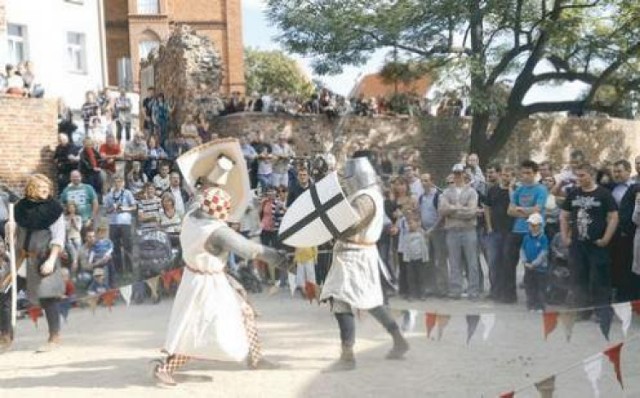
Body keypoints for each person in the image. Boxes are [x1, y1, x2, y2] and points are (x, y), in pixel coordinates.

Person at [153, 168, 287, 385]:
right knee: (199, 330)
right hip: (206, 284)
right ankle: (165, 368)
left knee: (245, 313)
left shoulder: (192, 214)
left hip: (200, 277)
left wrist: (221, 168)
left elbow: (202, 193)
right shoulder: (216, 232)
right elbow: (249, 250)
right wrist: (281, 258)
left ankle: (255, 358)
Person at [319, 154, 409, 371]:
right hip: (359, 253)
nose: (344, 180)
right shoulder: (370, 195)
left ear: (357, 176)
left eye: (347, 177)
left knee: (341, 300)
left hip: (354, 255)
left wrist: (330, 223)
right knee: (370, 300)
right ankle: (398, 339)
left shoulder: (365, 199)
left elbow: (352, 224)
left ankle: (347, 355)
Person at [6, 174, 65, 352]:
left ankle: (54, 338)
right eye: (41, 187)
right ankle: (5, 335)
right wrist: (10, 227)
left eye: (47, 187)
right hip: (21, 259)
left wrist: (51, 260)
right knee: (6, 293)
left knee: (48, 297)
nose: (45, 190)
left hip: (43, 258)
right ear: (31, 188)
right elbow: (13, 233)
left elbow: (58, 237)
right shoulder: (20, 208)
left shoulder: (54, 209)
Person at [560, 163, 618, 316]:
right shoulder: (573, 194)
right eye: (577, 175)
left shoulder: (604, 194)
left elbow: (613, 217)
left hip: (597, 245)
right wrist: (565, 237)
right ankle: (582, 312)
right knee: (578, 278)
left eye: (582, 175)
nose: (578, 178)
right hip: (577, 245)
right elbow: (564, 216)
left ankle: (602, 312)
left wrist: (606, 238)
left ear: (591, 175)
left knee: (600, 279)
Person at [503, 160, 548, 303]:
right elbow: (509, 211)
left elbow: (537, 210)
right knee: (509, 262)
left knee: (532, 265)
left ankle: (534, 299)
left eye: (529, 173)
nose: (525, 176)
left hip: (533, 232)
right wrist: (525, 212)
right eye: (523, 173)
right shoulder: (519, 190)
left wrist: (521, 210)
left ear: (535, 174)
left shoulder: (541, 189)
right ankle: (509, 295)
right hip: (517, 230)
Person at [439, 163, 480, 300]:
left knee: (472, 261)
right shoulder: (446, 192)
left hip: (469, 230)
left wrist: (453, 209)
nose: (458, 176)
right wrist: (460, 208)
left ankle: (473, 291)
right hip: (452, 231)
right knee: (454, 262)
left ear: (464, 174)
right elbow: (442, 210)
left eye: (460, 173)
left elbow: (471, 211)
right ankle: (456, 290)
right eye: (455, 173)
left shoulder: (471, 192)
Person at [484, 165, 515, 300]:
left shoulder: (515, 191)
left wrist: (511, 189)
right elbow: (486, 208)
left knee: (507, 263)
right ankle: (494, 291)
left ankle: (507, 293)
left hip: (510, 231)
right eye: (504, 175)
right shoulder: (493, 190)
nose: (505, 178)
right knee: (493, 262)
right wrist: (489, 226)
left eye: (508, 176)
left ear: (512, 177)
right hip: (495, 231)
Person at [104, 175, 136, 276]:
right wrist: (113, 208)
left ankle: (130, 270)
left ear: (123, 183)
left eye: (119, 182)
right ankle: (118, 270)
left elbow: (134, 207)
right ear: (113, 183)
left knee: (127, 246)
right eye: (116, 182)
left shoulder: (127, 193)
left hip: (125, 223)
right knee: (115, 247)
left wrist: (125, 209)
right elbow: (106, 211)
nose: (117, 184)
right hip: (113, 223)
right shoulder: (109, 195)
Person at [520, 213, 549, 312]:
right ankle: (531, 304)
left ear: (540, 226)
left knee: (540, 288)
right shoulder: (526, 237)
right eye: (530, 225)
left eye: (534, 225)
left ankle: (540, 305)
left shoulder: (543, 238)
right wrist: (524, 261)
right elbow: (522, 249)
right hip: (528, 267)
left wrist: (535, 263)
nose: (532, 227)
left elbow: (543, 252)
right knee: (529, 286)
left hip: (540, 269)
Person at [404, 215, 429, 301]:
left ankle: (422, 293)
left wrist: (425, 258)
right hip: (410, 259)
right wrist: (406, 258)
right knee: (411, 277)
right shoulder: (406, 234)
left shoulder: (421, 233)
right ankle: (412, 294)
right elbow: (406, 247)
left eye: (411, 223)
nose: (410, 225)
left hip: (420, 258)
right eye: (408, 224)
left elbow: (424, 246)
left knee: (421, 277)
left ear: (418, 223)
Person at [64, 202, 83, 273]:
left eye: (73, 207)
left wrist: (74, 221)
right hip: (69, 238)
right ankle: (75, 264)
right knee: (73, 253)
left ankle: (75, 268)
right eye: (70, 207)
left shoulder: (78, 217)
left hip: (77, 237)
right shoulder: (65, 218)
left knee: (76, 253)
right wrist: (69, 221)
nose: (71, 209)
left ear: (75, 208)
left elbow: (79, 229)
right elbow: (66, 229)